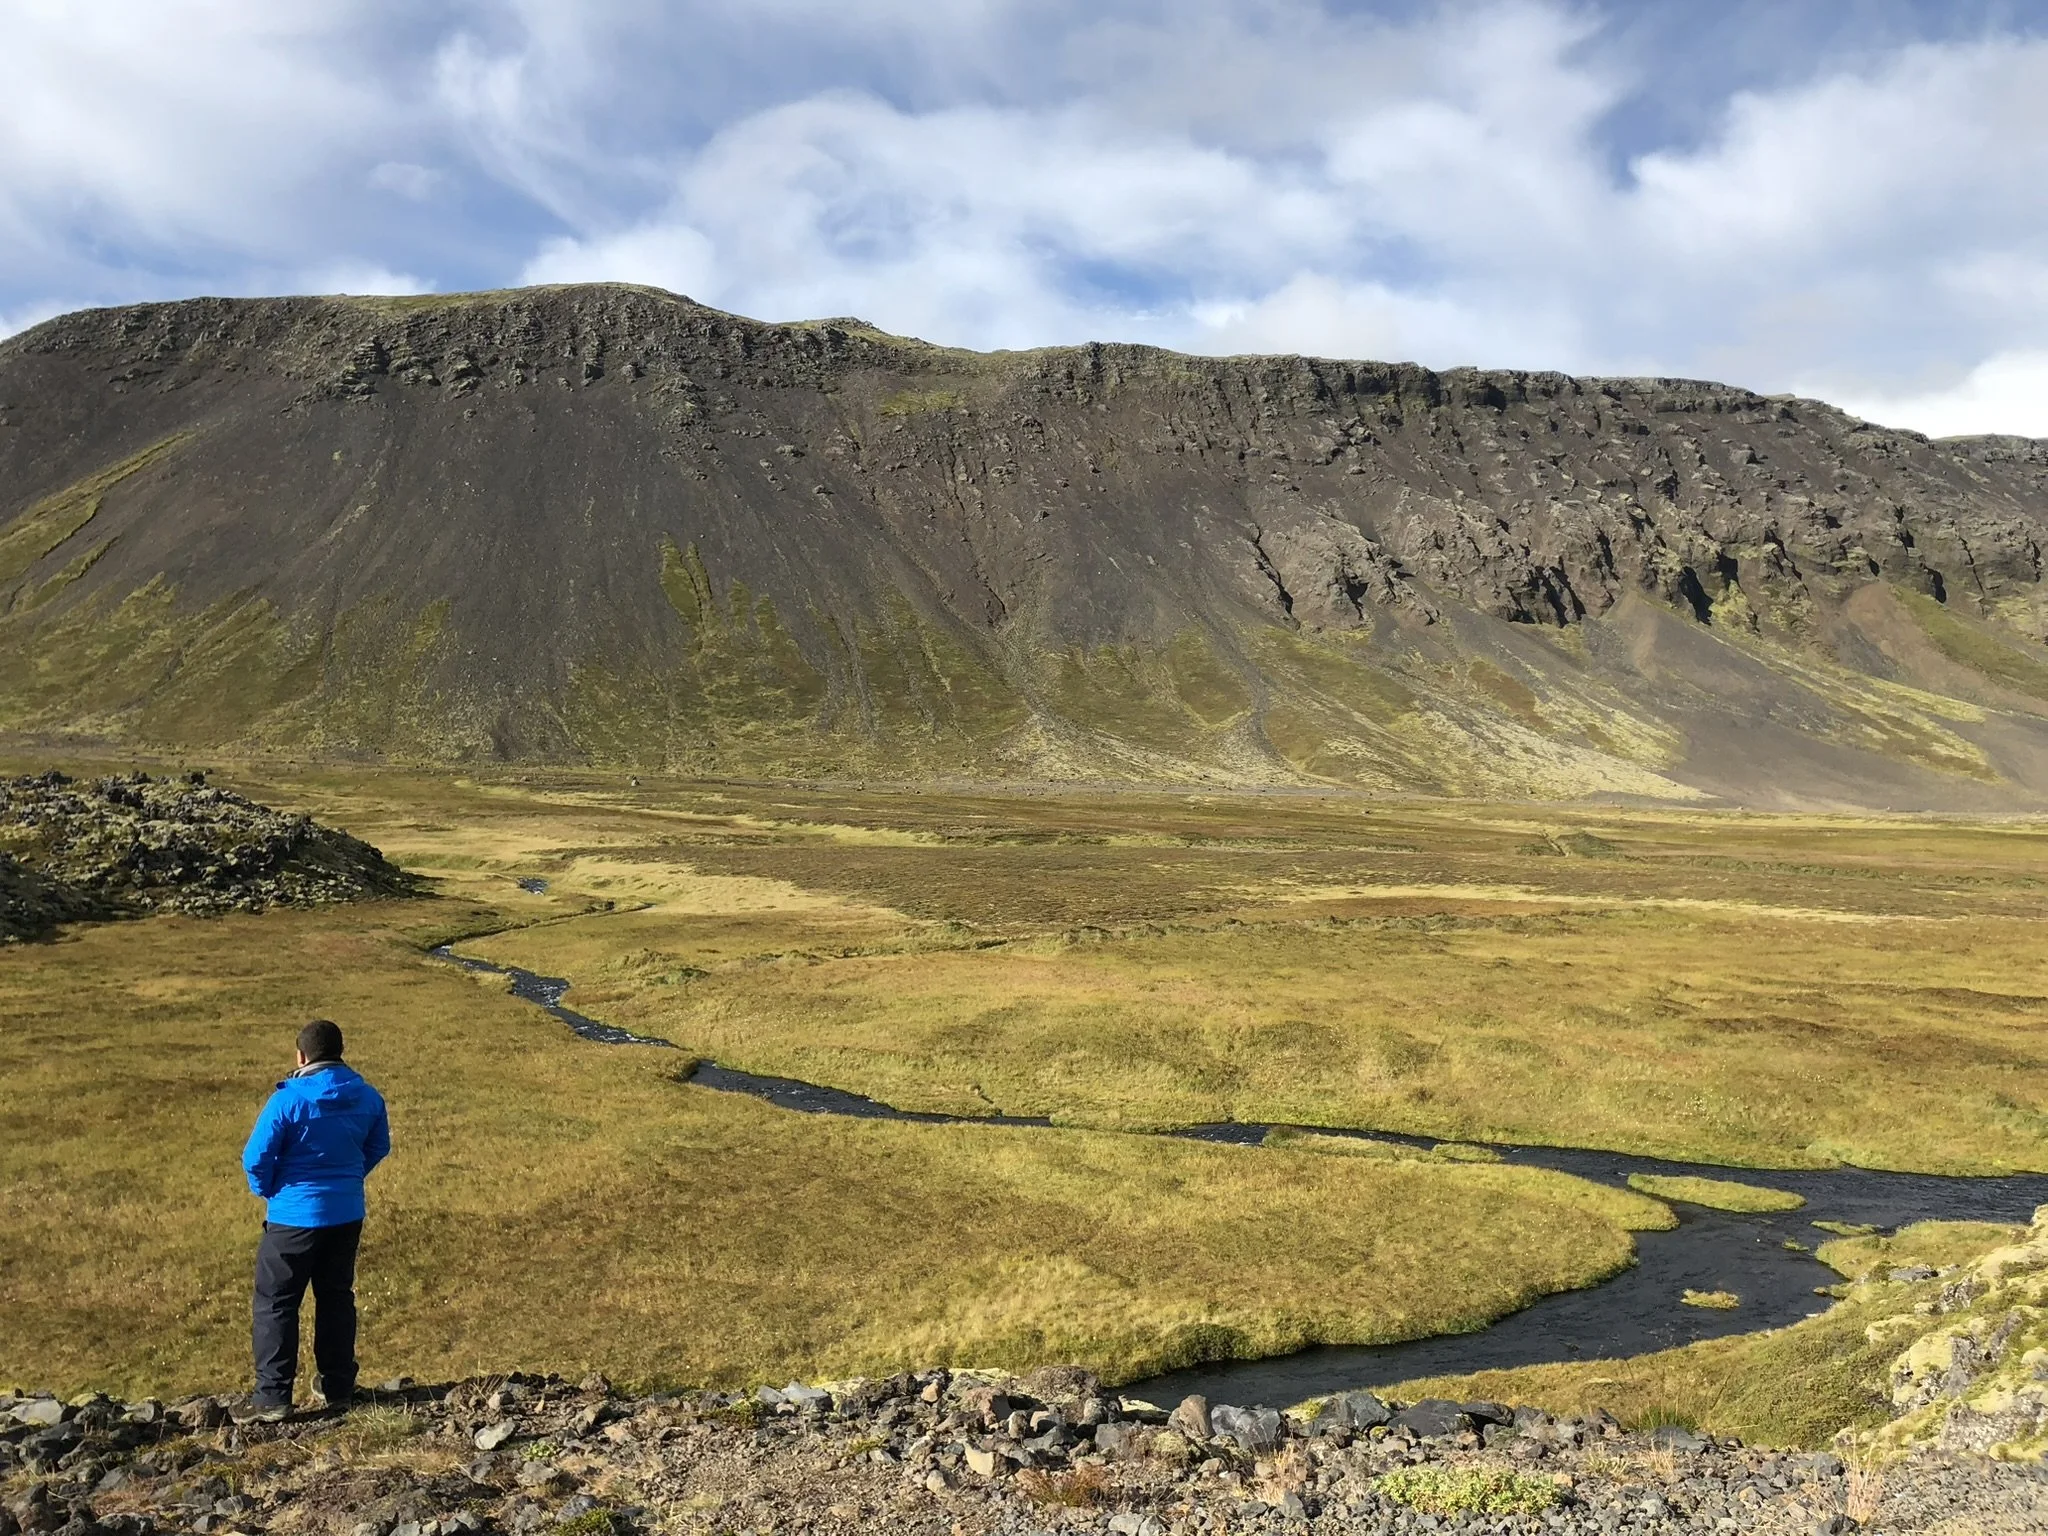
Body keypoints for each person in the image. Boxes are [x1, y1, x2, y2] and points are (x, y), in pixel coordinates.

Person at [239, 1019, 390, 1422]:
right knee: (336, 1297)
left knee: (276, 1303)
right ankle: (338, 1388)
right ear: (341, 1051)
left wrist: (270, 1191)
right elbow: (379, 1145)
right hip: (346, 1215)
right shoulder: (368, 1096)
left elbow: (255, 1159)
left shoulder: (287, 1101)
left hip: (292, 1218)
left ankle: (272, 1398)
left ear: (301, 1056)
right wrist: (348, 1179)